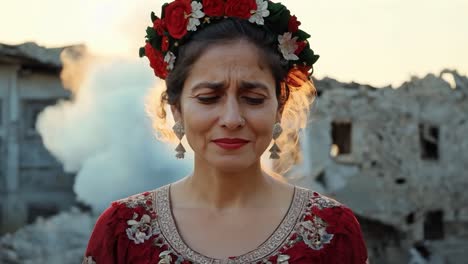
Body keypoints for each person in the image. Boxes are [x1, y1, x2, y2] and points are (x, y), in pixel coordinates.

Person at [83, 0, 368, 263]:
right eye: (208, 98)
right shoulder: (121, 231)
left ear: (279, 109)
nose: (232, 119)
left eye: (254, 99)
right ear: (176, 110)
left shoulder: (332, 231)